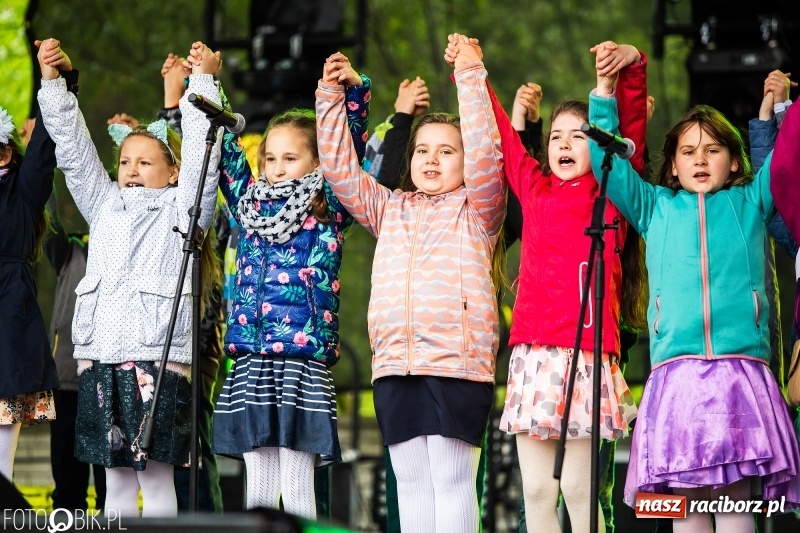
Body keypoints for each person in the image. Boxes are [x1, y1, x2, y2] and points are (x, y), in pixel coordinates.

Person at [590, 57, 800, 533]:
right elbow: (610, 166)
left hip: (739, 375)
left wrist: (781, 108)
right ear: (674, 163)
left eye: (712, 149)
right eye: (688, 151)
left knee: (736, 510)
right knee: (684, 513)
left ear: (734, 159)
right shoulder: (654, 207)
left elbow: (787, 164)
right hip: (677, 378)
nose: (700, 159)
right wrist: (604, 90)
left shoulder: (751, 200)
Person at [450, 38, 646, 533]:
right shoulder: (535, 188)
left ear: (598, 144)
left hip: (584, 354)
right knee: (538, 491)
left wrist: (632, 68)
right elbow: (503, 137)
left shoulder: (612, 195)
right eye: (556, 136)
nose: (562, 144)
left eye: (577, 136)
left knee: (580, 493)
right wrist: (473, 73)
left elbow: (632, 135)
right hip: (534, 356)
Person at [317, 36, 506, 532]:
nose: (431, 159)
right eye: (423, 150)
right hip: (395, 364)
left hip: (457, 365)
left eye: (447, 151)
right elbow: (339, 171)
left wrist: (470, 74)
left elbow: (488, 152)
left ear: (466, 164)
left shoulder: (479, 209)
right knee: (412, 484)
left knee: (452, 480)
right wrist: (330, 97)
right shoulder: (389, 208)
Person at [37, 39, 223, 517]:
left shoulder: (183, 208)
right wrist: (54, 87)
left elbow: (206, 159)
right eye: (125, 162)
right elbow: (76, 154)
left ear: (173, 170)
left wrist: (200, 83)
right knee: (114, 484)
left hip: (156, 363)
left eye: (145, 162)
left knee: (157, 482)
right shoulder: (104, 206)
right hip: (100, 362)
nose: (132, 170)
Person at [209, 49, 370, 519]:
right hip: (252, 355)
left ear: (317, 161)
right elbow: (226, 156)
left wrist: (353, 92)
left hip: (301, 360)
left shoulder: (329, 204)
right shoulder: (250, 205)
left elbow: (349, 150)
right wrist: (206, 83)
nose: (277, 167)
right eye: (271, 157)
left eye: (291, 157)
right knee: (258, 479)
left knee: (297, 481)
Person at [0, 38, 66, 483]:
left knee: (1, 446)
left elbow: (43, 150)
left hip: (7, 317)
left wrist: (52, 82)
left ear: (4, 154)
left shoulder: (21, 192)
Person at [44, 190, 108, 513]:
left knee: (111, 488)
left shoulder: (131, 255)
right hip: (68, 381)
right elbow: (49, 224)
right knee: (67, 487)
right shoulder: (73, 251)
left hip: (111, 380)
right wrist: (39, 160)